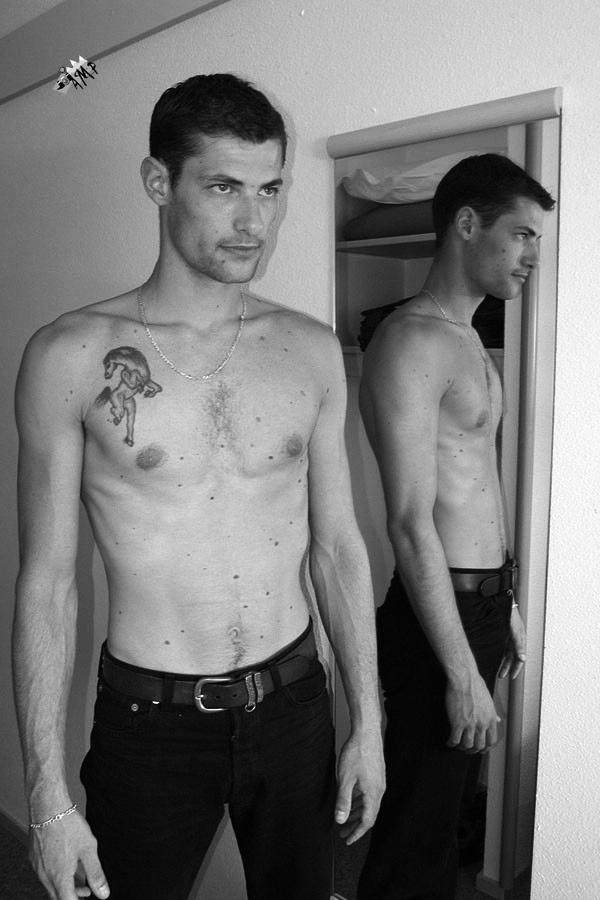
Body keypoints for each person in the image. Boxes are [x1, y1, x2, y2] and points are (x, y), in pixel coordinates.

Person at [13, 73, 384, 900]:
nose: (255, 222)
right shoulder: (70, 356)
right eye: (223, 188)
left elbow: (338, 550)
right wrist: (45, 797)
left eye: (270, 189)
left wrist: (369, 725)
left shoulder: (310, 351)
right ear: (159, 182)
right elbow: (47, 585)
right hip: (150, 726)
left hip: (295, 707)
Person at [356, 153, 555, 899]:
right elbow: (411, 522)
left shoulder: (467, 336)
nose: (531, 256)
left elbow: (474, 489)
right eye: (520, 235)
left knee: (440, 818)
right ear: (467, 224)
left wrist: (505, 602)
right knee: (415, 825)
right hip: (437, 618)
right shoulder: (412, 341)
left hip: (478, 605)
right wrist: (462, 672)